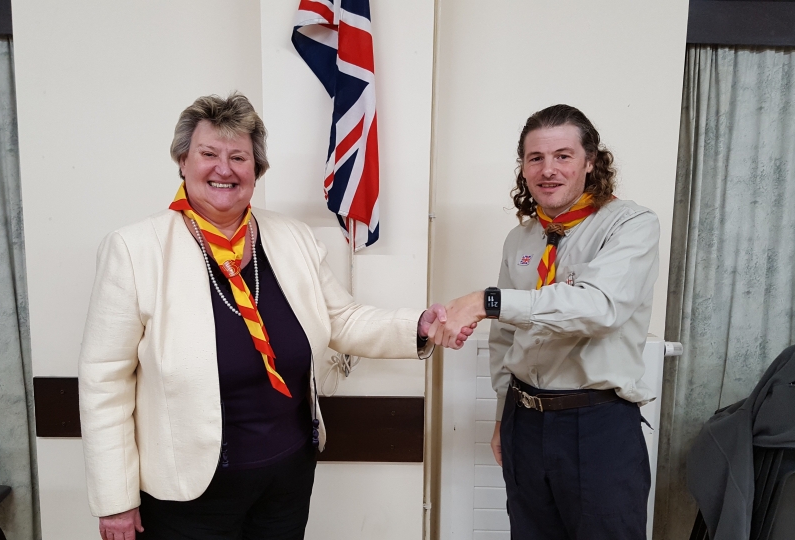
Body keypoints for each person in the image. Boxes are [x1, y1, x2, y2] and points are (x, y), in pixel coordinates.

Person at [78, 92, 472, 540]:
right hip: (188, 493)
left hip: (285, 477)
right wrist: (115, 501)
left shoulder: (291, 237)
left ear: (256, 170)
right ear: (183, 161)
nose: (223, 169)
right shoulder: (134, 249)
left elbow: (340, 319)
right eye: (209, 153)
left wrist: (416, 326)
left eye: (239, 157)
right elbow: (103, 380)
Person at [429, 104, 660, 539]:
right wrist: (503, 415)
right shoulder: (522, 237)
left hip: (597, 424)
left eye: (563, 156)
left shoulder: (631, 224)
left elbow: (598, 307)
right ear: (523, 168)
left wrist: (488, 300)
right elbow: (505, 338)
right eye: (535, 158)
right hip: (525, 421)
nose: (547, 169)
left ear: (591, 162)